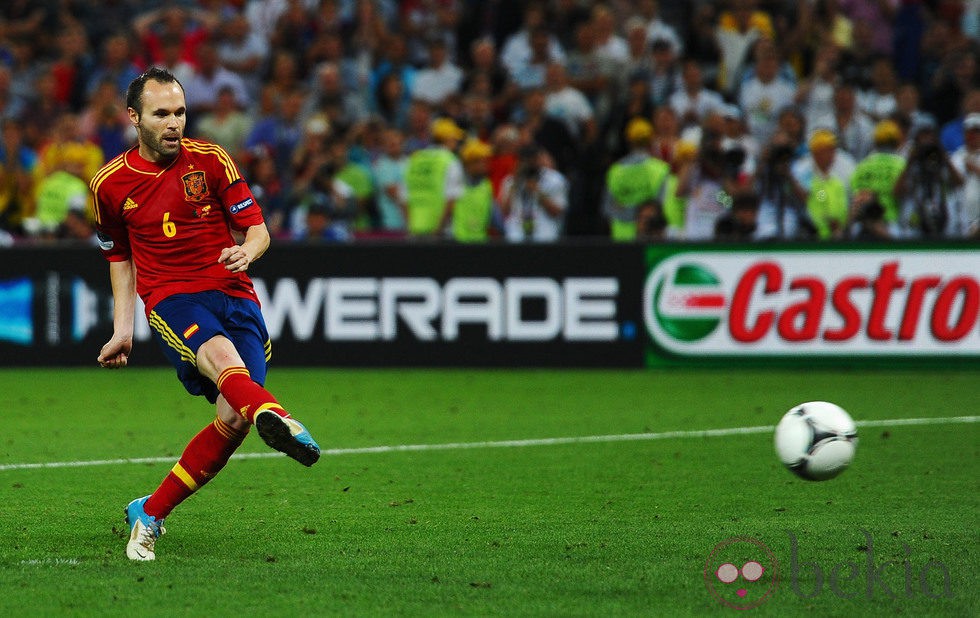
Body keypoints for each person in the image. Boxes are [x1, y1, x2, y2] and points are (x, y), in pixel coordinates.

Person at [89, 68, 321, 562]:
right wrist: (123, 329)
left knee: (234, 417)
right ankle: (279, 416)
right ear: (134, 117)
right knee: (223, 362)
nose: (174, 123)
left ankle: (149, 512)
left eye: (180, 112)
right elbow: (119, 256)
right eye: (161, 114)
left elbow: (257, 230)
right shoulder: (109, 184)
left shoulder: (212, 159)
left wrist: (247, 253)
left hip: (235, 294)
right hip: (173, 298)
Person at [603, 117, 672, 241]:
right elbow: (662, 206)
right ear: (651, 140)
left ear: (628, 141)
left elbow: (607, 208)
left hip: (621, 237)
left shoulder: (615, 171)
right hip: (651, 237)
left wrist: (626, 210)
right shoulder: (660, 169)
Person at [403, 117, 465, 237]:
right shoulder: (450, 161)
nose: (456, 143)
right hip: (440, 232)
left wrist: (411, 226)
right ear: (446, 139)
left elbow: (404, 198)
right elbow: (452, 199)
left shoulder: (415, 159)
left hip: (415, 230)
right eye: (454, 139)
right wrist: (438, 230)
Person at [499, 145, 569, 242]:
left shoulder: (554, 180)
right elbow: (504, 211)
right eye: (526, 161)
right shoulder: (511, 181)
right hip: (517, 235)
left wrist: (537, 192)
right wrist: (515, 183)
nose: (530, 164)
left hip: (544, 235)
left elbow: (557, 212)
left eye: (533, 160)